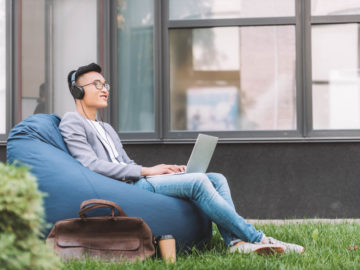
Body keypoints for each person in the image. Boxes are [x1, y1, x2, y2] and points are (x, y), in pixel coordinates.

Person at [59, 63, 305, 255]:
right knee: (198, 182)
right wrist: (147, 171)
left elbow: (126, 162)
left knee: (216, 178)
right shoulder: (72, 121)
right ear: (78, 91)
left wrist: (165, 170)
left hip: (137, 179)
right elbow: (90, 165)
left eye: (106, 85)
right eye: (97, 84)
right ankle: (258, 238)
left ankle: (236, 242)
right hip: (128, 188)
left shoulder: (107, 128)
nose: (104, 89)